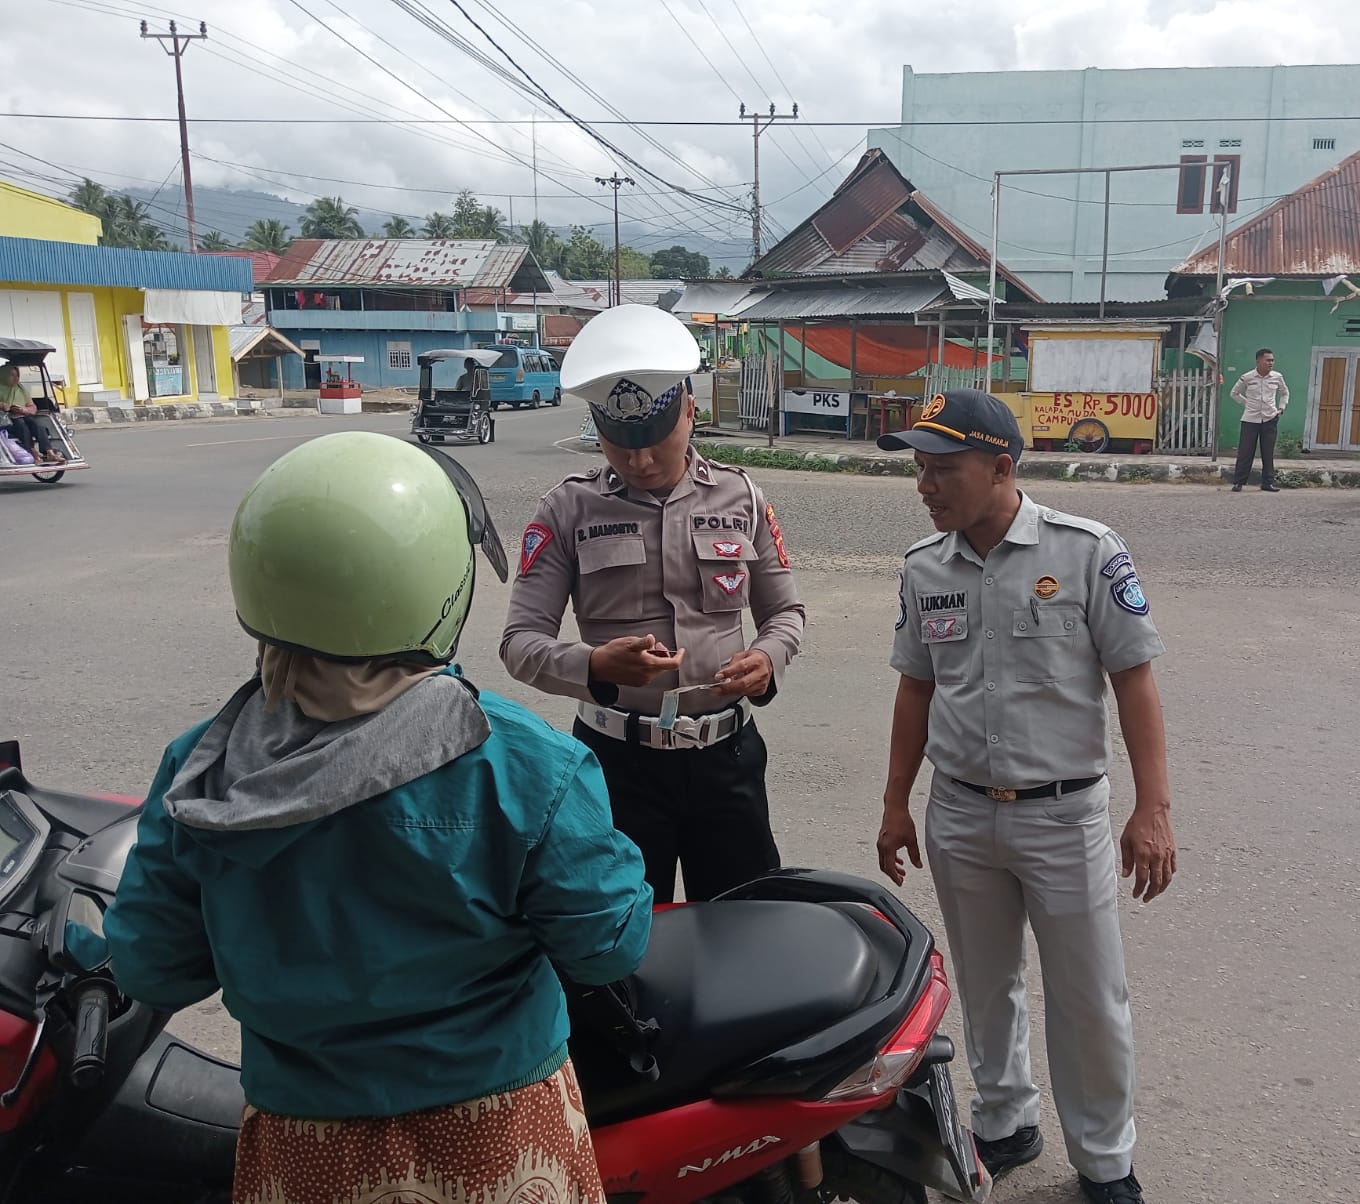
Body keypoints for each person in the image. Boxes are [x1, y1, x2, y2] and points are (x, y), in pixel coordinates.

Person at [101, 431, 651, 1204]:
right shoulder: (527, 765)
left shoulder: (202, 772)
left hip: (305, 1147)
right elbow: (606, 947)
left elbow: (153, 968)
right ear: (439, 588)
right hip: (499, 1138)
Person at [874, 388, 1176, 1204]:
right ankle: (1005, 1122)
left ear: (1002, 468)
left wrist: (1153, 808)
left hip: (1063, 813)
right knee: (985, 981)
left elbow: (1134, 680)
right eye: (919, 469)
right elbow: (914, 691)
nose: (925, 486)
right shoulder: (925, 566)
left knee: (1089, 997)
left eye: (943, 470)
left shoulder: (1085, 551)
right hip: (962, 812)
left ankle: (1106, 1161)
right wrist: (897, 801)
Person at [501, 304, 805, 904]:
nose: (638, 461)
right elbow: (519, 644)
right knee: (625, 944)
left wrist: (768, 658)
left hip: (726, 759)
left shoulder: (740, 496)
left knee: (743, 928)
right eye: (619, 445)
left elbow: (785, 614)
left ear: (689, 410)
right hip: (617, 765)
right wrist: (595, 666)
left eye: (654, 443)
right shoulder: (568, 509)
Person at [1229, 347, 1288, 492]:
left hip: (1270, 418)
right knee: (1245, 452)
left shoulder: (1277, 377)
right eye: (1268, 360)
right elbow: (1234, 393)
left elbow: (1285, 393)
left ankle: (1268, 483)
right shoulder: (1247, 377)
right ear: (1258, 361)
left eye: (1272, 360)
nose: (1271, 363)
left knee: (1268, 453)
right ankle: (1239, 482)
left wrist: (1281, 408)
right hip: (1250, 419)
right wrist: (1247, 403)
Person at [0, 364, 64, 465]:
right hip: (5, 422)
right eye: (12, 375)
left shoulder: (20, 389)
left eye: (17, 375)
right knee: (22, 425)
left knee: (37, 425)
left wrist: (23, 409)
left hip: (21, 416)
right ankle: (33, 453)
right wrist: (3, 405)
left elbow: (33, 407)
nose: (16, 378)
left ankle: (49, 452)